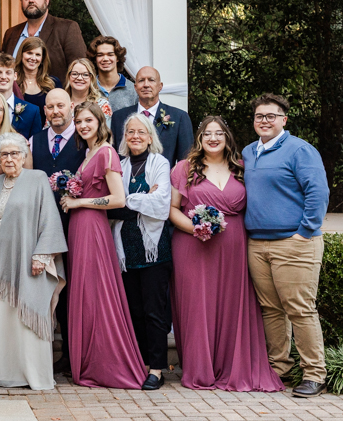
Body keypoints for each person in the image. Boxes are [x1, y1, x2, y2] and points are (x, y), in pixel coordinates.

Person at [169, 116, 286, 393]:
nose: (213, 138)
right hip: (193, 246)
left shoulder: (242, 169)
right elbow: (173, 210)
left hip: (234, 247)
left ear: (227, 137)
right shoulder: (184, 169)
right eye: (207, 133)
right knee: (198, 305)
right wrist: (196, 228)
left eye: (218, 133)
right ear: (199, 138)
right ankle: (200, 369)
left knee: (232, 305)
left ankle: (232, 365)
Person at [242, 94, 329, 398]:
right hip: (257, 243)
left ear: (284, 120)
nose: (264, 120)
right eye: (259, 116)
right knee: (270, 310)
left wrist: (304, 232)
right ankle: (279, 368)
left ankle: (315, 374)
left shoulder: (300, 150)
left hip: (294, 241)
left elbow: (318, 193)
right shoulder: (249, 152)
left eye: (271, 115)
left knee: (300, 309)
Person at [61, 102, 146, 388]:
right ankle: (87, 360)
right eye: (79, 121)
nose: (83, 125)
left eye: (88, 120)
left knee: (97, 293)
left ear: (100, 121)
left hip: (92, 227)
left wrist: (79, 202)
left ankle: (106, 363)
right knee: (85, 293)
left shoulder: (107, 152)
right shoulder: (88, 153)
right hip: (79, 227)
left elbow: (119, 199)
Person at [0, 133, 67, 391]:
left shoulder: (38, 178)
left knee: (27, 313)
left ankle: (32, 373)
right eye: (4, 154)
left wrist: (42, 255)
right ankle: (7, 373)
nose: (9, 159)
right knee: (5, 317)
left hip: (29, 261)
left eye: (14, 153)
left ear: (24, 155)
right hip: (0, 264)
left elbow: (50, 219)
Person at [107, 114, 172, 391]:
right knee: (133, 310)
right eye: (130, 132)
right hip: (125, 247)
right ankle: (141, 363)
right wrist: (141, 198)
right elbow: (114, 207)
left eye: (141, 132)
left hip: (153, 248)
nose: (135, 136)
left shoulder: (160, 163)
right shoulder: (118, 165)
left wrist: (127, 201)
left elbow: (161, 205)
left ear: (149, 136)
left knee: (154, 311)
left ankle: (157, 368)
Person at [28, 88, 83, 372]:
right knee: (52, 288)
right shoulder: (34, 141)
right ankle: (51, 355)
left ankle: (78, 355)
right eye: (50, 107)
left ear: (71, 106)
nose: (55, 111)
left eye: (60, 105)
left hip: (79, 226)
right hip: (44, 227)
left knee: (77, 290)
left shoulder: (85, 139)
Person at [111, 66, 193, 169]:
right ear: (135, 87)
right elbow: (113, 158)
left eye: (151, 80)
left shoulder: (179, 117)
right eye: (141, 80)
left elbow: (186, 162)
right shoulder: (119, 117)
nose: (146, 85)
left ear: (160, 86)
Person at [2, 0, 87, 78]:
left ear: (46, 1)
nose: (31, 0)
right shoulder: (11, 33)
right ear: (21, 2)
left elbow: (80, 68)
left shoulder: (66, 28)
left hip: (54, 91)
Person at [15, 37, 58, 130]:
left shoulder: (53, 84)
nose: (33, 58)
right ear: (21, 54)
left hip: (46, 138)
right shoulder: (12, 83)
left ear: (42, 59)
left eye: (38, 54)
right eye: (29, 53)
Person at [89, 35, 137, 113]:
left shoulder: (133, 90)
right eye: (100, 55)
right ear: (95, 59)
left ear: (117, 58)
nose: (105, 59)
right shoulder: (88, 87)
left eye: (110, 55)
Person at [64, 59, 112, 125]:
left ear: (91, 79)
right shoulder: (60, 104)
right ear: (69, 77)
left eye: (85, 75)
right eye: (75, 74)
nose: (79, 78)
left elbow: (107, 133)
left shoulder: (101, 105)